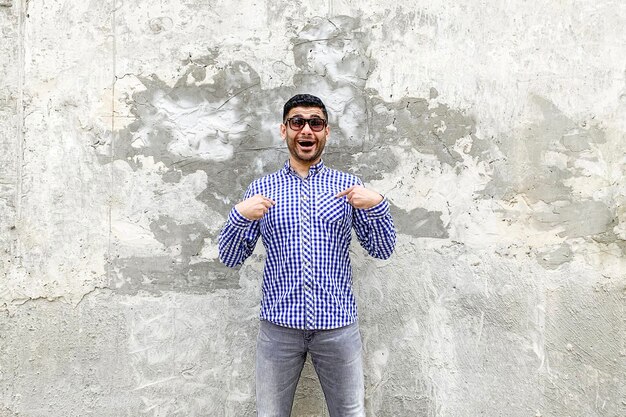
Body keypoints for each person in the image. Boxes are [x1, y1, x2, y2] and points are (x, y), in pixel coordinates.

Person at [218, 94, 396, 417]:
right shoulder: (262, 190)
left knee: (351, 414)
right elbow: (230, 258)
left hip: (338, 327)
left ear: (326, 132)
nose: (306, 131)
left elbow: (382, 250)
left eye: (315, 123)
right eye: (297, 122)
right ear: (283, 130)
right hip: (278, 329)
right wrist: (239, 215)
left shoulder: (349, 187)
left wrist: (377, 205)